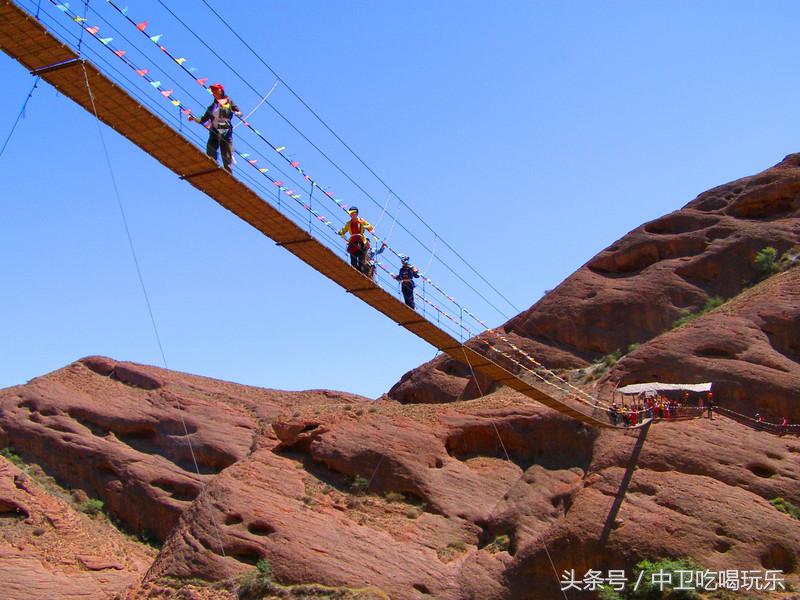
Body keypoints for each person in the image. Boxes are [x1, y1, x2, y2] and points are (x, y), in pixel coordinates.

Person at [189, 83, 242, 173]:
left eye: (216, 89)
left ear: (221, 90)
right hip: (214, 130)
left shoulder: (228, 101)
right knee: (211, 149)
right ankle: (212, 167)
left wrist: (237, 113)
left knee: (226, 152)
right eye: (213, 90)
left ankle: (228, 172)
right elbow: (203, 119)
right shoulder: (211, 107)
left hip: (225, 129)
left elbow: (239, 111)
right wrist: (194, 118)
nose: (214, 91)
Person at [338, 207, 374, 272]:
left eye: (353, 213)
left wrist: (365, 226)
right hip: (353, 244)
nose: (351, 215)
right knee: (353, 264)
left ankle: (364, 273)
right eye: (350, 214)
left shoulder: (361, 220)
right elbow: (343, 230)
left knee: (361, 264)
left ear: (356, 214)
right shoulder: (348, 223)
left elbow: (371, 227)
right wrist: (340, 232)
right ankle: (357, 274)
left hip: (361, 243)